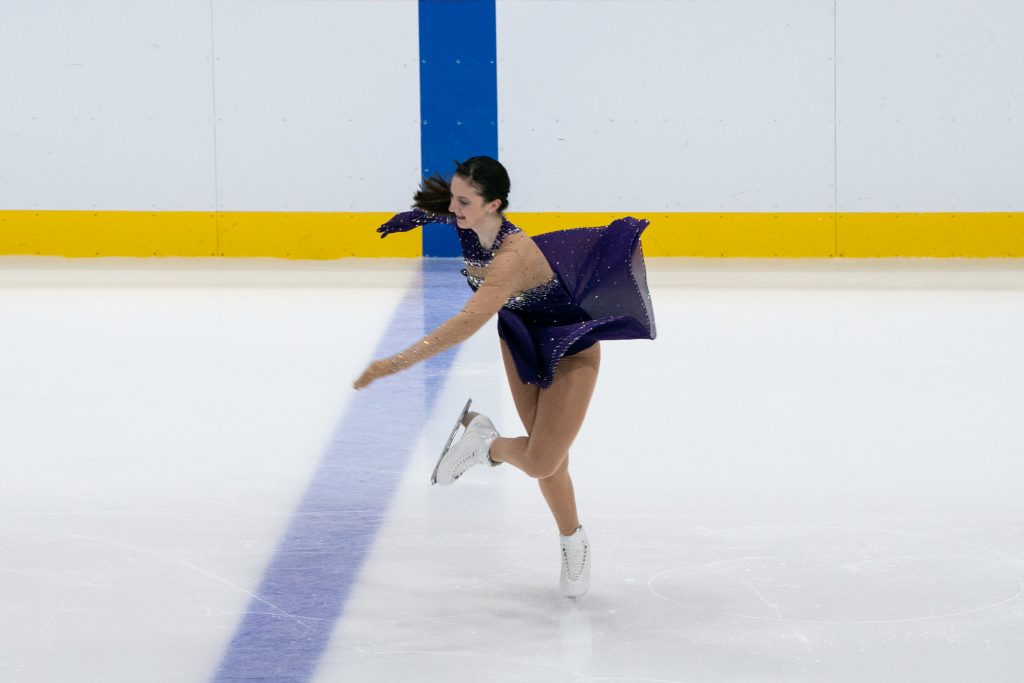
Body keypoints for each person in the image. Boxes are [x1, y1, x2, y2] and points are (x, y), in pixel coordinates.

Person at [353, 156, 655, 597]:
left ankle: (484, 443)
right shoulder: (468, 220)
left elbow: (466, 322)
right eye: (453, 198)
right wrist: (415, 216)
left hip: (569, 344)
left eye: (464, 202)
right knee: (547, 453)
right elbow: (442, 208)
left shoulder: (511, 257)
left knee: (540, 460)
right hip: (520, 338)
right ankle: (572, 539)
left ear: (494, 205)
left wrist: (391, 364)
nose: (454, 209)